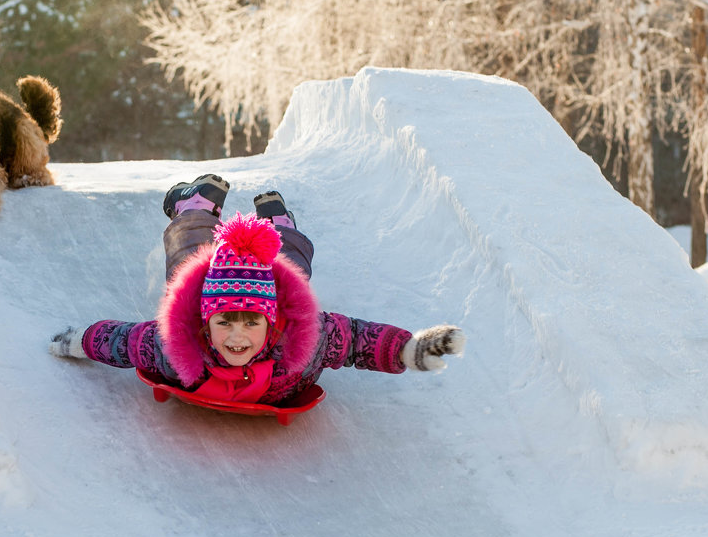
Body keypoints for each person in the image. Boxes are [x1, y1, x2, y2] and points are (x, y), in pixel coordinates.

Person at [49, 173, 465, 405]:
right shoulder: (176, 345)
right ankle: (195, 208)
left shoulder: (302, 343)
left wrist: (409, 349)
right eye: (225, 321)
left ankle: (280, 228)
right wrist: (79, 342)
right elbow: (122, 341)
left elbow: (357, 339)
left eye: (251, 323)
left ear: (272, 323)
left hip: (267, 284)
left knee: (291, 273)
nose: (236, 336)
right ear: (205, 320)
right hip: (215, 278)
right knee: (188, 262)